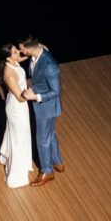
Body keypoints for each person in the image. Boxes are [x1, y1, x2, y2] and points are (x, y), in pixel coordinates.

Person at [18, 35, 63, 186]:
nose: (21, 51)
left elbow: (56, 92)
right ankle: (57, 162)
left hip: (46, 107)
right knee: (50, 134)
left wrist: (35, 96)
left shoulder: (50, 66)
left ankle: (47, 171)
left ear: (30, 48)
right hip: (47, 107)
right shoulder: (40, 49)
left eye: (22, 49)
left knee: (42, 140)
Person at [0, 44, 34, 188]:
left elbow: (22, 57)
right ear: (7, 57)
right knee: (19, 139)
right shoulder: (9, 74)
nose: (17, 52)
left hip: (18, 107)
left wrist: (33, 50)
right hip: (17, 108)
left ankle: (5, 156)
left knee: (17, 135)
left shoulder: (13, 61)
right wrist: (32, 92)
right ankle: (15, 177)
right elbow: (20, 97)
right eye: (14, 52)